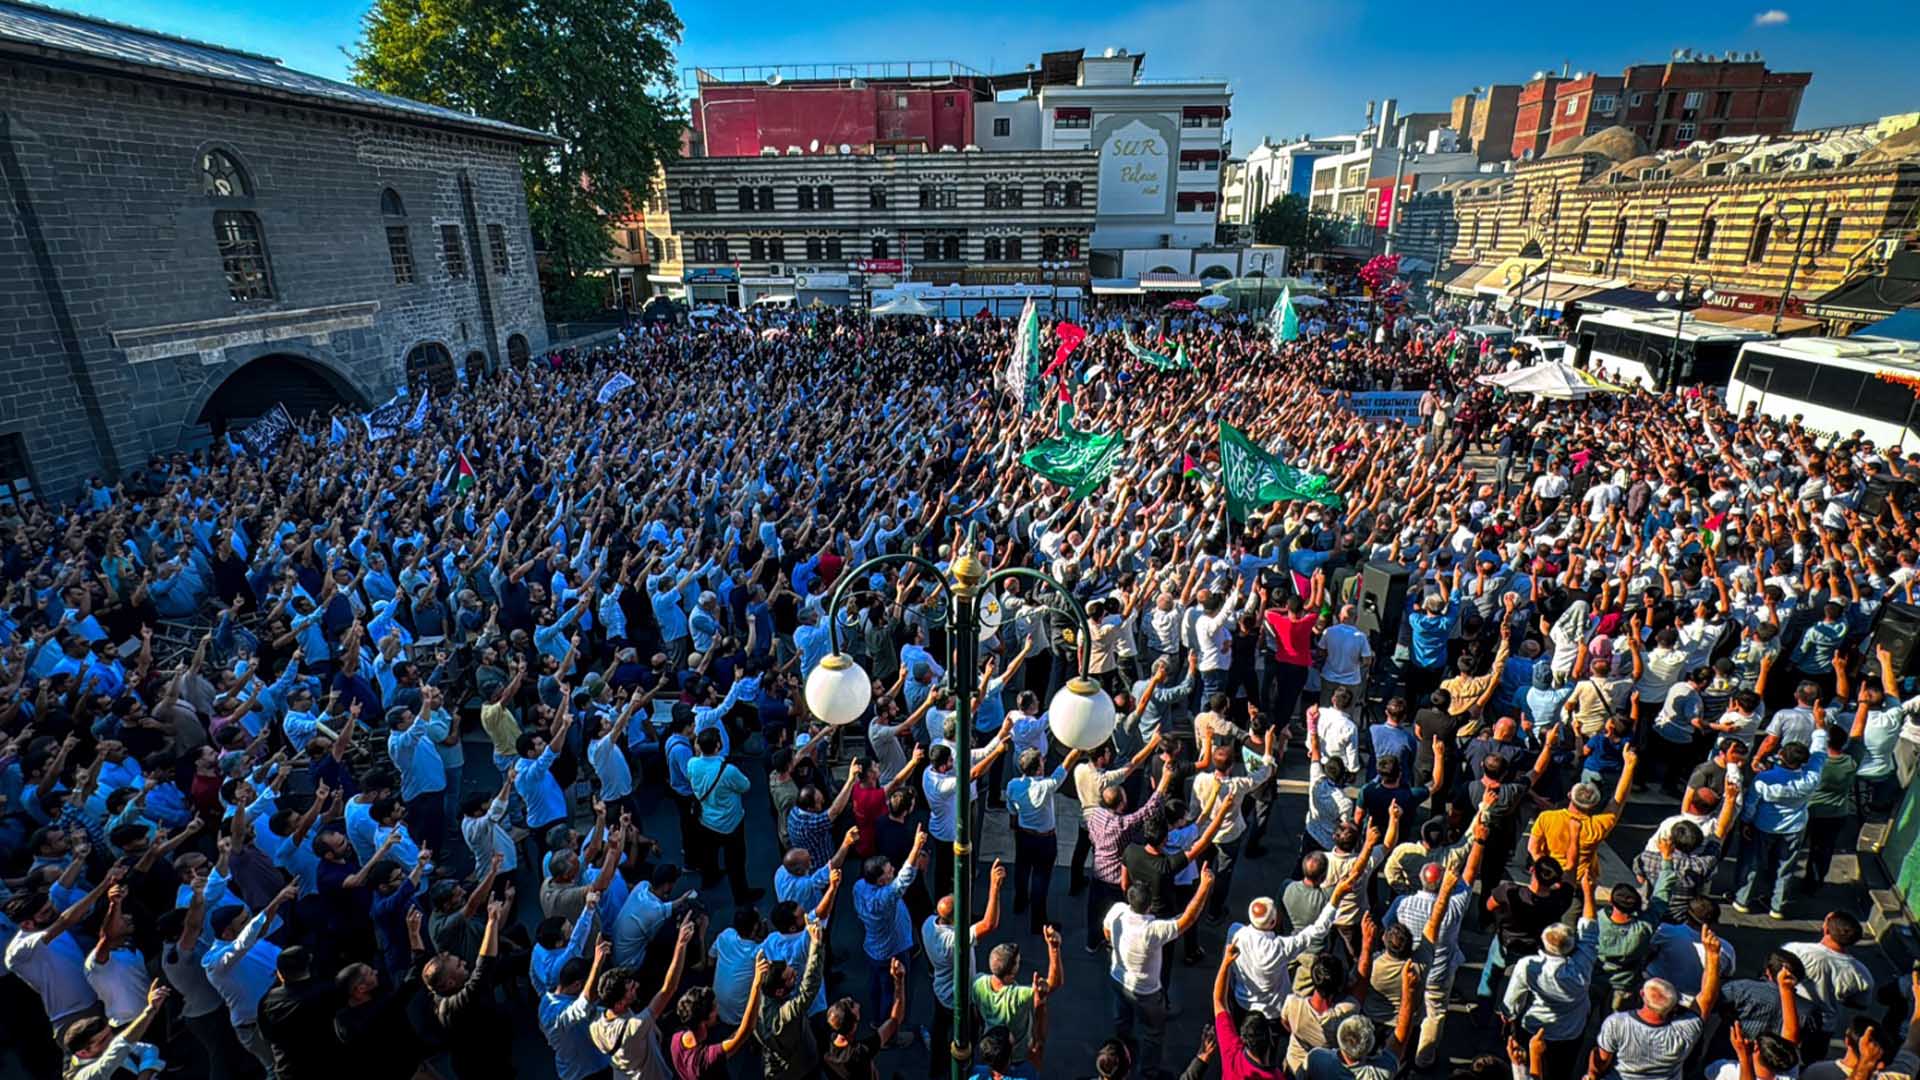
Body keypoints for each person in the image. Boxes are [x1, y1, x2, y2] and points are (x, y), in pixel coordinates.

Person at [1104, 865, 1216, 1074]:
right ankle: (1148, 1071)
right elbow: (1186, 920)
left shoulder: (1117, 911)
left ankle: (1122, 1049)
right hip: (1147, 992)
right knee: (1153, 1033)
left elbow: (1107, 931)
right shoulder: (1153, 930)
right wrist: (1204, 887)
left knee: (1122, 1016)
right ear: (1149, 906)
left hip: (1118, 978)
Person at [1585, 925, 1724, 1080]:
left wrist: (1592, 1074)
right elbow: (1707, 999)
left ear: (1642, 994)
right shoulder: (1685, 1031)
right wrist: (1713, 956)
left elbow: (1601, 1062)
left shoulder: (1617, 1023)